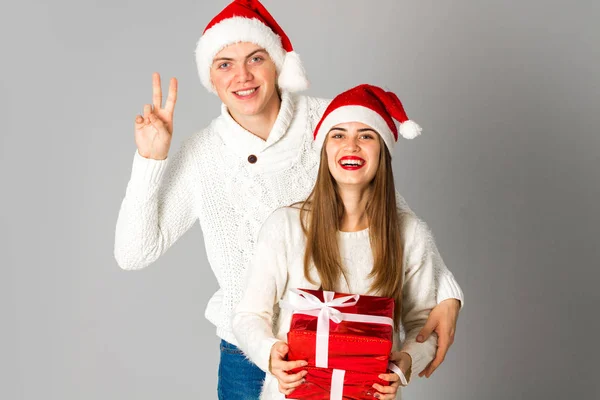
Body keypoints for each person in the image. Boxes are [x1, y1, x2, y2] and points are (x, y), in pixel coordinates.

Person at [114, 1, 463, 398]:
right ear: (210, 76)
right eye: (224, 63)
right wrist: (150, 159)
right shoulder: (202, 155)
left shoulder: (331, 122)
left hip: (340, 351)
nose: (242, 76)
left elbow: (390, 213)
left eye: (256, 58)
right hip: (246, 354)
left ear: (277, 62)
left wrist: (447, 293)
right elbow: (133, 253)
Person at [233, 84, 444, 400]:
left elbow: (426, 324)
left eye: (366, 135)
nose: (352, 145)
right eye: (339, 135)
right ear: (325, 149)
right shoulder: (286, 226)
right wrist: (270, 353)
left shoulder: (409, 233)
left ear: (382, 151)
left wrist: (407, 361)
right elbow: (249, 315)